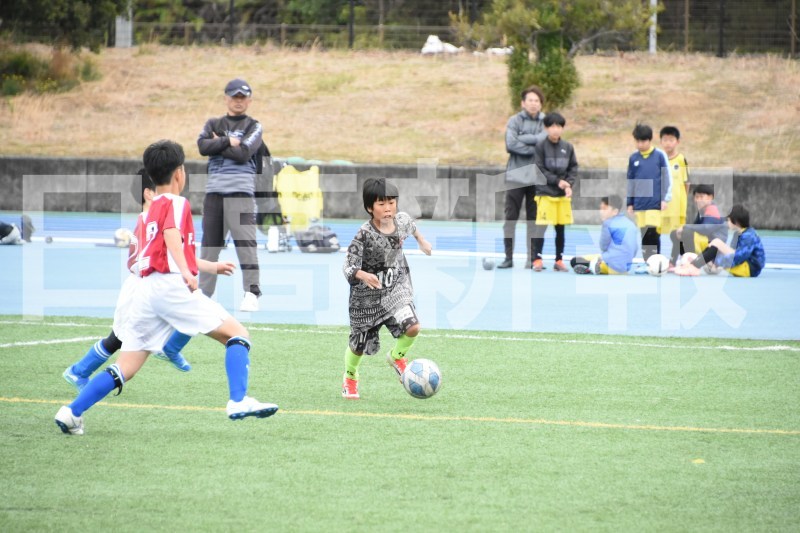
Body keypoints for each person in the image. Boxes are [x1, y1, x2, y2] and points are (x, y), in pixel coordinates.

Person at [55, 140, 278, 436]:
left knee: (126, 366)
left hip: (146, 291)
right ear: (179, 173)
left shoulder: (148, 212)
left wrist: (208, 267)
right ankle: (238, 400)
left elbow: (166, 248)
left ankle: (72, 412)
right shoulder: (175, 202)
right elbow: (172, 234)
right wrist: (186, 272)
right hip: (169, 286)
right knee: (237, 334)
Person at [62, 169, 199, 392]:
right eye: (162, 190)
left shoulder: (152, 220)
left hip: (148, 284)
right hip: (140, 286)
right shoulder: (149, 220)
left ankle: (170, 348)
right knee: (119, 338)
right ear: (149, 194)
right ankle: (79, 371)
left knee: (124, 336)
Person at [341, 178, 432, 400]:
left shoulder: (401, 221)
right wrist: (363, 274)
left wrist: (422, 241)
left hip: (395, 290)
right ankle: (350, 377)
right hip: (366, 299)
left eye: (391, 202)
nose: (388, 208)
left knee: (413, 327)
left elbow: (412, 226)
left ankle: (397, 357)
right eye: (381, 204)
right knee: (358, 346)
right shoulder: (364, 234)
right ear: (370, 207)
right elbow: (348, 265)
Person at [197, 78, 264, 312]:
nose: (238, 101)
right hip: (214, 193)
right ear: (226, 98)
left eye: (242, 97)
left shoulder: (254, 126)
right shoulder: (213, 123)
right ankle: (204, 294)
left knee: (246, 245)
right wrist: (229, 141)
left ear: (249, 100)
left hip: (241, 194)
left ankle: (251, 293)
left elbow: (245, 153)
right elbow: (202, 147)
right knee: (209, 247)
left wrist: (218, 143)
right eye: (234, 96)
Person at [498, 85, 548, 269]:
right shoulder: (514, 120)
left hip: (537, 178)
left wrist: (523, 138)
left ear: (541, 104)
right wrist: (535, 144)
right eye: (530, 100)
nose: (533, 103)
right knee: (510, 218)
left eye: (537, 100)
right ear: (523, 103)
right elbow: (510, 144)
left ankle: (532, 259)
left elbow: (545, 143)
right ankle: (508, 257)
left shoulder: (546, 121)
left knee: (534, 220)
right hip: (515, 176)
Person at [531, 112, 578, 272]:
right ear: (546, 128)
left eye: (559, 126)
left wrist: (569, 184)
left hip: (562, 196)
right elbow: (539, 169)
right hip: (545, 193)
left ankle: (559, 260)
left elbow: (573, 168)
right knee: (541, 227)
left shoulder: (568, 147)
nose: (556, 129)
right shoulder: (540, 147)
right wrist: (558, 181)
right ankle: (537, 259)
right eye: (552, 126)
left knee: (560, 229)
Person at [675, 204, 765, 277]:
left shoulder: (749, 236)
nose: (727, 222)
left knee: (717, 243)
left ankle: (694, 266)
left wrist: (717, 262)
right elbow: (732, 252)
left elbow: (738, 257)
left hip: (750, 268)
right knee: (715, 243)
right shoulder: (737, 233)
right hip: (743, 264)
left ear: (736, 222)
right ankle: (694, 264)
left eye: (729, 220)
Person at [627, 123, 672, 262]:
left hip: (654, 202)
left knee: (653, 232)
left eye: (643, 141)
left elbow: (666, 177)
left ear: (650, 140)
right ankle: (648, 262)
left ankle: (656, 261)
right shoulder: (633, 158)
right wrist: (630, 202)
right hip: (640, 203)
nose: (640, 144)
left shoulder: (659, 155)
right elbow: (631, 181)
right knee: (644, 234)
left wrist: (665, 198)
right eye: (637, 141)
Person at [571, 195, 639, 275]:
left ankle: (593, 266)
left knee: (574, 261)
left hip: (610, 265)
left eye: (604, 209)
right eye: (601, 208)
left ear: (615, 211)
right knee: (601, 256)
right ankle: (594, 266)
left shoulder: (608, 223)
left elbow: (603, 246)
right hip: (625, 268)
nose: (601, 211)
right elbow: (635, 249)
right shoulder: (631, 224)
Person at [667, 184, 727, 269]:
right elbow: (696, 227)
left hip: (713, 247)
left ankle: (690, 262)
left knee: (686, 232)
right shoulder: (702, 210)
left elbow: (705, 229)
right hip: (706, 242)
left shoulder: (713, 210)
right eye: (696, 197)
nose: (698, 200)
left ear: (710, 197)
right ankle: (675, 262)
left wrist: (685, 227)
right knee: (675, 233)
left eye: (701, 197)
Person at [659, 126, 691, 238]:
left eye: (671, 140)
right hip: (662, 207)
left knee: (677, 237)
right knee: (660, 236)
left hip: (678, 208)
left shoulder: (681, 159)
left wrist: (683, 200)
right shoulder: (658, 159)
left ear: (677, 142)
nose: (668, 143)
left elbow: (687, 182)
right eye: (665, 140)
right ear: (661, 142)